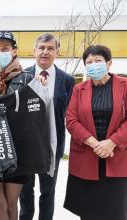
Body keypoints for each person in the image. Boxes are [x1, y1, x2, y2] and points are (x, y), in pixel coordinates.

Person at [63, 45, 127, 220]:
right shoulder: (79, 89)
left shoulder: (124, 85)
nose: (93, 65)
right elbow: (71, 120)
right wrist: (94, 143)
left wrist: (111, 142)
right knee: (88, 212)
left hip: (116, 157)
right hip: (87, 156)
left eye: (98, 61)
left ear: (109, 63)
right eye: (89, 62)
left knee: (115, 212)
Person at [19, 33, 75, 220]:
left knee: (48, 194)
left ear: (57, 52)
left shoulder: (66, 80)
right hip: (26, 147)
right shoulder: (21, 76)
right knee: (26, 194)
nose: (45, 52)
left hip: (52, 145)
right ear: (34, 51)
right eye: (41, 48)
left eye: (50, 48)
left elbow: (70, 112)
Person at [0, 31, 34, 220]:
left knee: (11, 206)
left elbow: (28, 114)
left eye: (5, 48)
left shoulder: (29, 78)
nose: (0, 52)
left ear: (14, 51)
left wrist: (2, 93)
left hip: (17, 152)